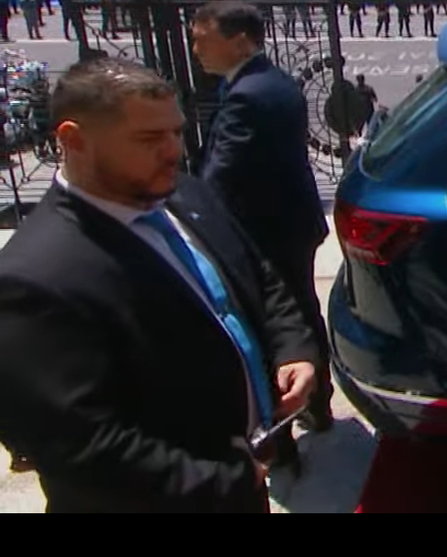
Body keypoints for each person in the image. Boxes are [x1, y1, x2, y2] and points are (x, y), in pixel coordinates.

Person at [0, 57, 318, 512]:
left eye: (175, 132)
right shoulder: (31, 280)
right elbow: (82, 447)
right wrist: (227, 477)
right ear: (73, 140)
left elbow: (258, 276)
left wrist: (294, 348)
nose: (172, 150)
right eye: (149, 139)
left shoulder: (185, 192)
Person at [192, 1, 333, 435]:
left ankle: (296, 408)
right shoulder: (261, 83)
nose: (196, 50)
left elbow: (221, 174)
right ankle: (316, 403)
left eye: (202, 40)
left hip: (269, 234)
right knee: (302, 313)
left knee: (281, 322)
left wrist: (194, 215)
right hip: (288, 224)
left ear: (238, 42)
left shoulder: (251, 95)